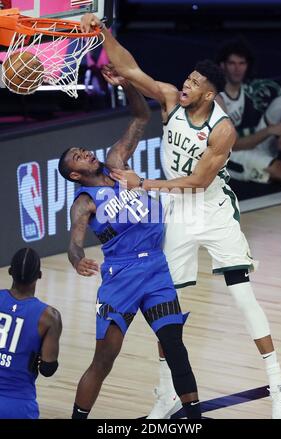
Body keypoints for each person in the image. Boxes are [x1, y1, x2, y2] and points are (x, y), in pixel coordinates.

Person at [80, 14, 281, 419]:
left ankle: (277, 383)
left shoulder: (222, 130)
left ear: (209, 95)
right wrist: (101, 29)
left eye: (194, 84)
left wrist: (145, 184)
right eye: (187, 79)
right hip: (175, 213)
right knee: (167, 309)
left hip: (211, 209)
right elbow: (128, 67)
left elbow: (196, 181)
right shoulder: (169, 100)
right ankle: (167, 392)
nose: (185, 86)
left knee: (241, 294)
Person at [58, 66, 202, 420]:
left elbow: (141, 115)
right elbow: (74, 243)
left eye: (81, 149)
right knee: (104, 360)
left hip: (155, 267)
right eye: (78, 156)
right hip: (121, 277)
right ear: (76, 174)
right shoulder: (85, 202)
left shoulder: (117, 162)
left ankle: (194, 417)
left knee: (174, 345)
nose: (84, 152)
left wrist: (127, 87)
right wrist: (77, 260)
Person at [216, 38, 281, 187]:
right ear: (222, 66)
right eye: (232, 63)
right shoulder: (216, 99)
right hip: (230, 154)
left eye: (242, 63)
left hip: (256, 141)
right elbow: (231, 145)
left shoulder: (252, 89)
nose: (237, 68)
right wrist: (269, 131)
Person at [0, 248, 62, 419]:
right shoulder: (49, 317)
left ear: (10, 271)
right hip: (18, 406)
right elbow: (48, 369)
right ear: (39, 275)